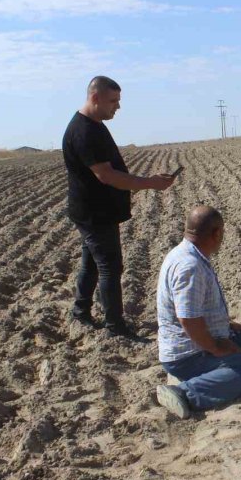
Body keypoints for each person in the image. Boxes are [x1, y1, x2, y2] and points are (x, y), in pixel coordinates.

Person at [62, 75, 175, 338]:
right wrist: (150, 183)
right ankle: (115, 326)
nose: (118, 107)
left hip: (95, 211)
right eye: (113, 101)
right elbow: (106, 175)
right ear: (95, 98)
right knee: (110, 267)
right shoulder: (85, 131)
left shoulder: (94, 124)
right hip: (94, 213)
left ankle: (81, 311)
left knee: (92, 263)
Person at [155, 206, 241, 418]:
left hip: (195, 342)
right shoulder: (190, 266)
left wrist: (228, 325)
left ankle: (210, 374)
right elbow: (188, 318)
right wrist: (215, 348)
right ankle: (184, 392)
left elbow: (195, 308)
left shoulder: (186, 253)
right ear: (216, 233)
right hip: (187, 354)